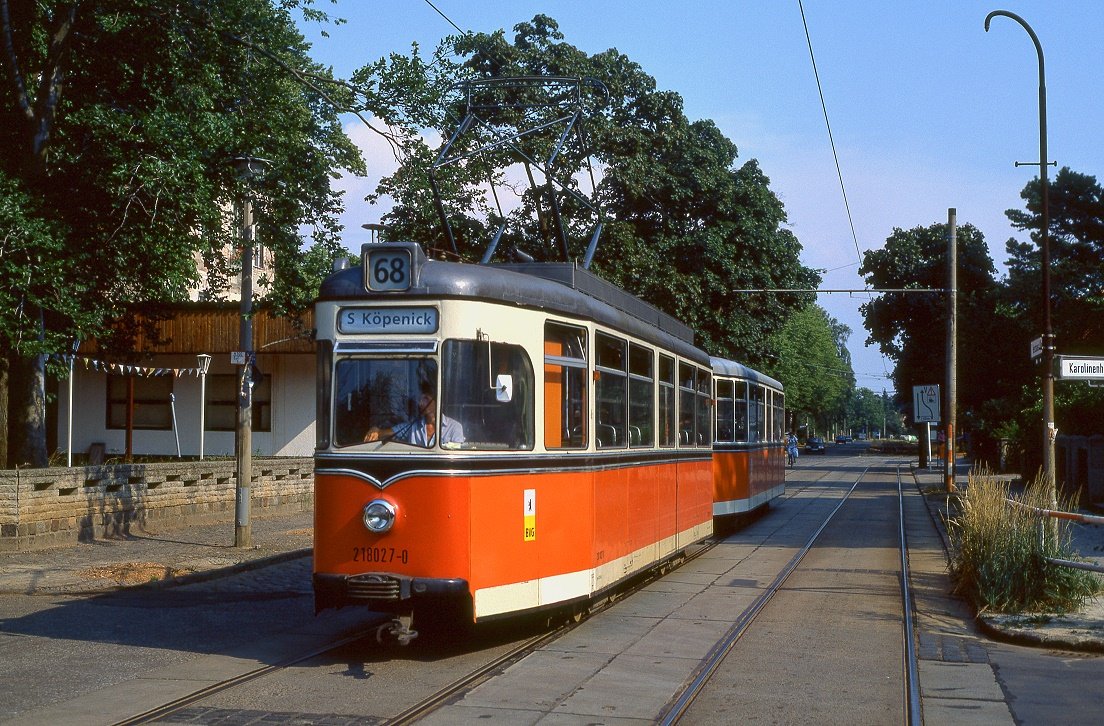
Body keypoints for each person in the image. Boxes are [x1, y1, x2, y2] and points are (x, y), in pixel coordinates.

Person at [364, 388, 465, 447]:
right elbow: (390, 432)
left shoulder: (455, 428)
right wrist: (376, 430)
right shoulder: (413, 426)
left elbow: (457, 458)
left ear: (437, 401)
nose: (421, 403)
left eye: (426, 399)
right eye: (420, 400)